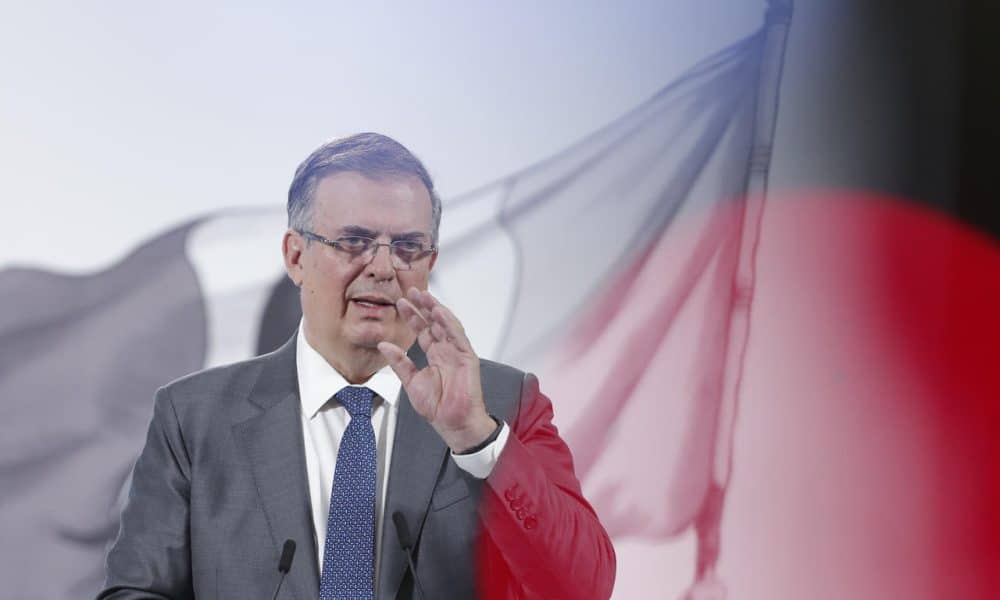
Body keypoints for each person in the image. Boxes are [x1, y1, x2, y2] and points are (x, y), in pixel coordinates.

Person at [100, 133, 616, 599]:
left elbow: (583, 587)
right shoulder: (192, 417)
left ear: (429, 265)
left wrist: (477, 439)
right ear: (296, 257)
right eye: (354, 242)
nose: (384, 266)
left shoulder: (503, 403)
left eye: (408, 247)